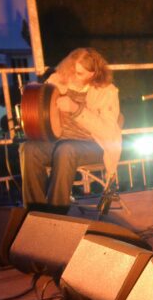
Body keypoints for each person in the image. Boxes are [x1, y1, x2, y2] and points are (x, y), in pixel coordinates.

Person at [20, 47, 122, 212]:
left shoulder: (106, 92)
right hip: (59, 140)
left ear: (93, 73)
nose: (74, 76)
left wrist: (76, 109)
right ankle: (35, 211)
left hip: (94, 144)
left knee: (66, 149)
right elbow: (40, 109)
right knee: (29, 148)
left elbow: (108, 132)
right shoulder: (56, 81)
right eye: (72, 70)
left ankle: (56, 213)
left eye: (80, 74)